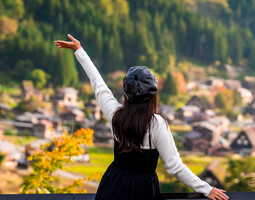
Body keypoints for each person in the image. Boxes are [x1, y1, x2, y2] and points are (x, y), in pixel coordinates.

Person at [54, 34, 229, 200]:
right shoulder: (157, 124)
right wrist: (207, 189)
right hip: (142, 190)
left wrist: (79, 51)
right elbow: (174, 167)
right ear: (153, 95)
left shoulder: (116, 115)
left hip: (113, 184)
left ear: (126, 93)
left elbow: (98, 86)